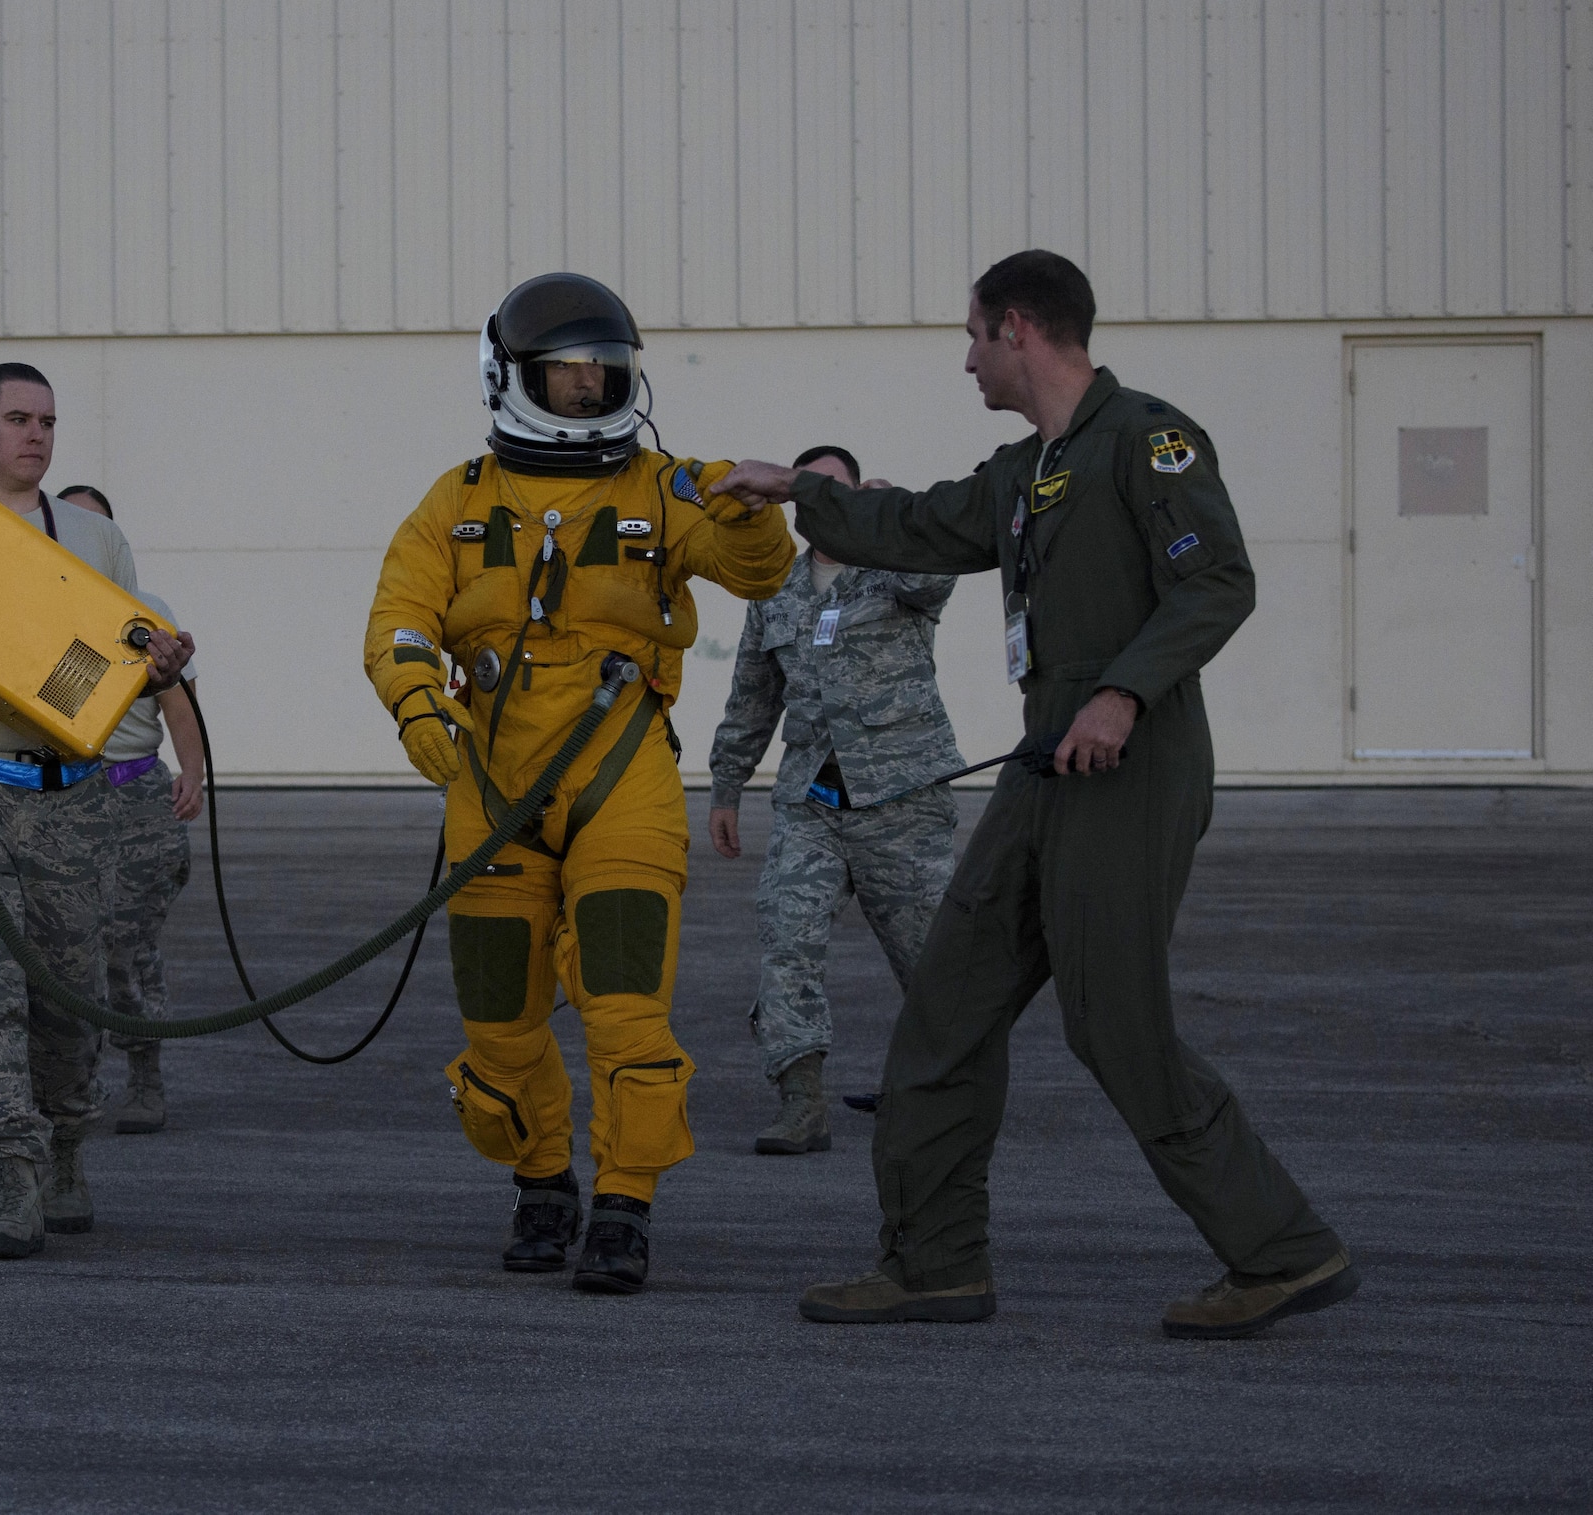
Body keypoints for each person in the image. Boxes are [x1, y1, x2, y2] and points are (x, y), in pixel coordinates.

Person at [710, 250, 1356, 1339]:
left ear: (1017, 327)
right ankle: (933, 1264)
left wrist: (1120, 697)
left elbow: (1216, 582)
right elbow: (913, 524)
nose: (964, 360)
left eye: (971, 337)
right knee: (944, 1012)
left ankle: (1280, 1249)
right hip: (1042, 765)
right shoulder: (1025, 473)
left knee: (1115, 1026)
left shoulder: (1147, 440)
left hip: (1127, 765)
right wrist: (793, 490)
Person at [364, 272, 794, 1293]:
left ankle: (624, 1206)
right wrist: (419, 706)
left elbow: (756, 573)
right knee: (497, 1026)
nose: (588, 391)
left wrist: (743, 514)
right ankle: (542, 1181)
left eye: (604, 375)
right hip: (489, 787)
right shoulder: (457, 501)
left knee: (624, 1010)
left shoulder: (662, 488)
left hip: (618, 778)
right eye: (565, 376)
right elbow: (400, 623)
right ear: (508, 377)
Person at [0, 364, 192, 1260]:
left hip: (70, 802)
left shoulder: (96, 539)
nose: (36, 435)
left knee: (68, 997)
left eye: (48, 420)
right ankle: (9, 1177)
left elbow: (131, 664)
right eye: (17, 418)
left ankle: (63, 1148)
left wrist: (163, 667)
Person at [707, 444, 961, 1157]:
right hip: (812, 799)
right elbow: (752, 696)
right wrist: (727, 784)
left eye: (843, 493)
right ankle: (801, 1103)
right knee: (786, 940)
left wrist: (896, 515)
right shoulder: (775, 587)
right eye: (817, 492)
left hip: (901, 797)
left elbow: (937, 577)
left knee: (931, 959)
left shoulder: (897, 568)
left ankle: (936, 1090)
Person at [58, 485, 205, 1136]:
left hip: (135, 796)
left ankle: (143, 1071)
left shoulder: (145, 614)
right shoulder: (37, 611)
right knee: (58, 944)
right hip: (59, 795)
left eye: (97, 529)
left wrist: (193, 777)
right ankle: (66, 1082)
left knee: (123, 942)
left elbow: (178, 707)